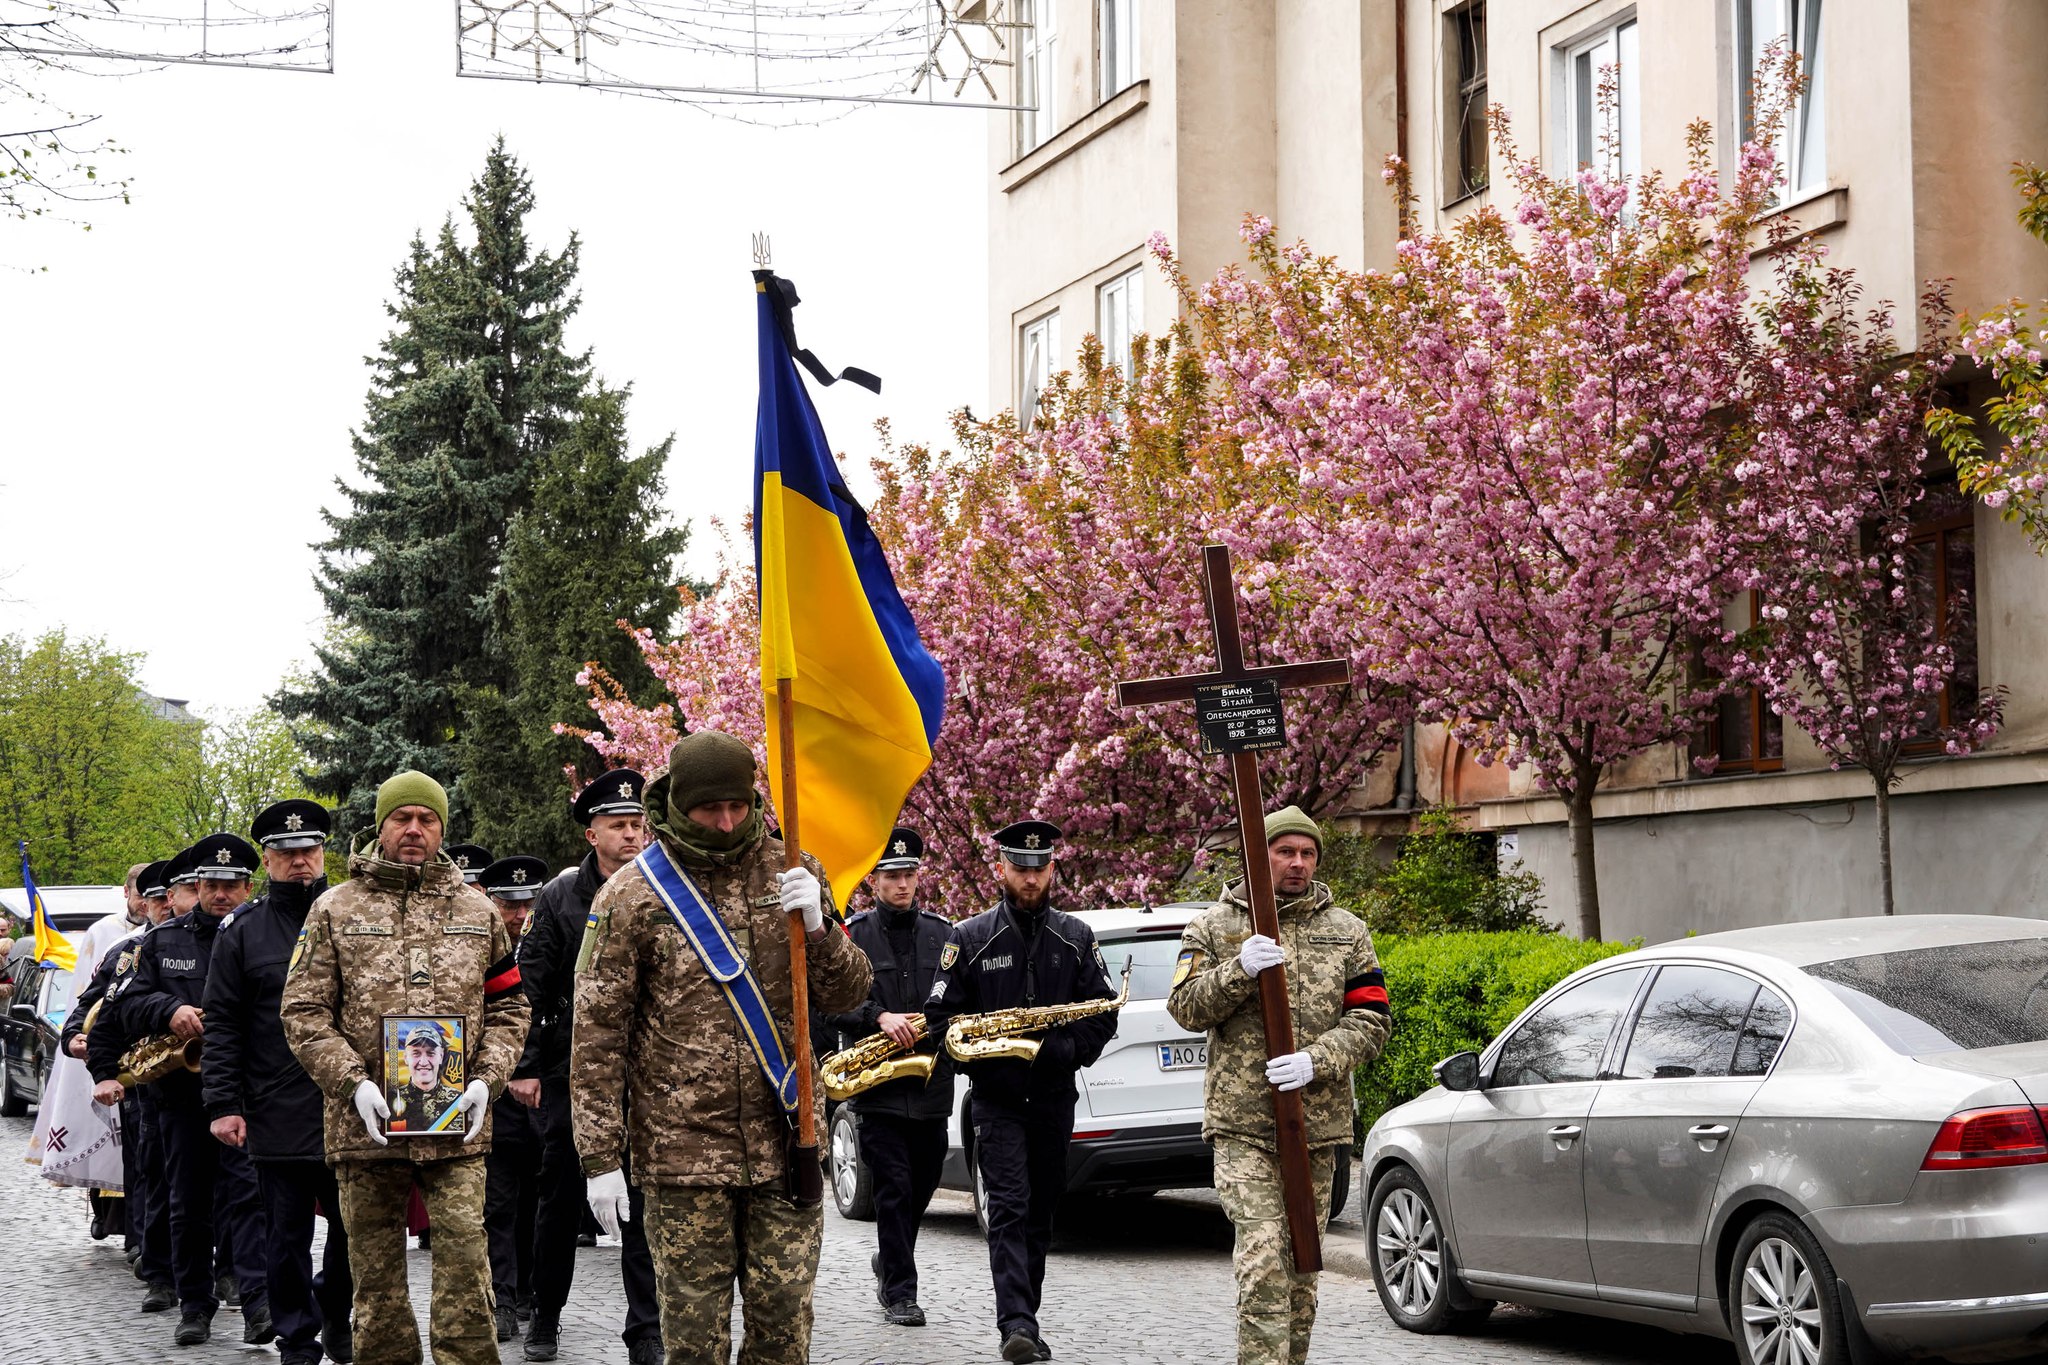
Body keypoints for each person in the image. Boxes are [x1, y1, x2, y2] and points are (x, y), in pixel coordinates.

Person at [570, 732, 872, 1365]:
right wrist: (599, 1157)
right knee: (695, 1342)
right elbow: (598, 1036)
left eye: (738, 805)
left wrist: (820, 929)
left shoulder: (793, 869)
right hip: (680, 1158)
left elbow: (847, 994)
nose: (728, 821)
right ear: (679, 803)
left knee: (784, 1330)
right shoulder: (632, 895)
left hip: (787, 1142)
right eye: (710, 808)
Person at [280, 770, 530, 1365]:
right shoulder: (334, 908)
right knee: (375, 1279)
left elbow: (510, 1004)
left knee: (469, 1268)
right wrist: (351, 1082)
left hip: (456, 1128)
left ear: (443, 827)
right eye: (402, 818)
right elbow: (302, 1009)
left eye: (427, 819)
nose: (414, 829)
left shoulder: (477, 909)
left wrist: (484, 1081)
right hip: (364, 1129)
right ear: (381, 824)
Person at [1166, 805, 1392, 1365]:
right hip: (1243, 1125)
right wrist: (1236, 969)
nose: (1298, 863)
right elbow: (1185, 1008)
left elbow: (1372, 1019)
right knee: (1263, 1259)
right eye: (1285, 851)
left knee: (1301, 1267)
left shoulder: (1347, 931)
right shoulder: (1214, 927)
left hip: (1317, 1125)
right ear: (1257, 855)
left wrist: (1318, 1060)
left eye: (1308, 853)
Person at [923, 820, 1120, 1364]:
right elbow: (940, 1019)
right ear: (1002, 869)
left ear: (1052, 868)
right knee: (1007, 1206)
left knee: (1041, 1211)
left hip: (1054, 1097)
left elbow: (1102, 1016)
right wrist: (988, 1053)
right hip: (996, 1100)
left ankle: (1024, 1319)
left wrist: (1059, 1051)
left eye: (1039, 868)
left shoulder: (1077, 937)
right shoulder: (967, 937)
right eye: (1020, 868)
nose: (1030, 879)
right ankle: (1015, 1322)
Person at [100, 832, 273, 1347]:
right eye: (212, 884)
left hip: (249, 1091)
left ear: (249, 885)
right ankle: (194, 1305)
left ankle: (257, 1304)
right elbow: (123, 1006)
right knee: (188, 1203)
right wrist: (169, 1011)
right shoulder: (160, 941)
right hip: (180, 1095)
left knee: (249, 1200)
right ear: (197, 885)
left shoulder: (267, 934)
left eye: (233, 884)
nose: (222, 894)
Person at [513, 769, 659, 1364]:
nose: (631, 836)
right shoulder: (560, 896)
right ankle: (545, 1315)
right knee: (561, 1201)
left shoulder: (662, 887)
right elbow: (531, 986)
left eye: (638, 825)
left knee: (643, 1202)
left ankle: (645, 1329)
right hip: (573, 1071)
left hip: (648, 1073)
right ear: (592, 833)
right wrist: (524, 1066)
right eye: (618, 826)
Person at [203, 800, 355, 1365]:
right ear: (267, 860)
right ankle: (296, 1335)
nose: (300, 863)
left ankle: (338, 1315)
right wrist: (223, 1103)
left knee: (352, 1231)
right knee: (285, 1237)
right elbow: (222, 1022)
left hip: (351, 1105)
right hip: (276, 1106)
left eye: (309, 851)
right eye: (287, 854)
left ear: (323, 855)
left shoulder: (354, 915)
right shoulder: (242, 931)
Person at [826, 825, 955, 1328]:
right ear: (873, 881)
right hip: (878, 1085)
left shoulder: (945, 935)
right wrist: (877, 1016)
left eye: (909, 874)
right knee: (895, 1187)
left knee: (921, 1183)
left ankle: (890, 1257)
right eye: (892, 876)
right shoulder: (853, 936)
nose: (902, 884)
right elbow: (831, 1005)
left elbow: (961, 997)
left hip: (930, 1085)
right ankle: (901, 1291)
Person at [478, 853, 546, 1346]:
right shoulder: (477, 945)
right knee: (498, 1203)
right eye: (508, 903)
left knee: (538, 1203)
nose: (519, 914)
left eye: (528, 903)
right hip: (494, 1093)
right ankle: (502, 1298)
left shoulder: (550, 941)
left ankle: (530, 1294)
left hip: (546, 1093)